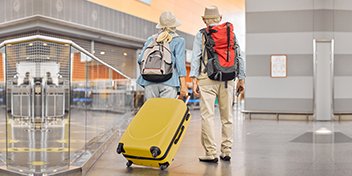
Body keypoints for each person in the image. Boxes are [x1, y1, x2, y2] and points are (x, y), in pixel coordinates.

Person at [190, 5, 246, 163]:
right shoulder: (231, 34)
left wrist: (194, 79)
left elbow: (196, 57)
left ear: (204, 20)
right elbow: (240, 57)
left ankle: (211, 153)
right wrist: (241, 79)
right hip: (228, 80)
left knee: (207, 116)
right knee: (227, 117)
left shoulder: (201, 34)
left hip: (207, 79)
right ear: (220, 18)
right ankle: (226, 151)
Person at [137, 11, 188, 100]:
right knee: (166, 112)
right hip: (170, 82)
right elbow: (180, 65)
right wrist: (183, 86)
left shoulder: (151, 39)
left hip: (149, 82)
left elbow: (140, 59)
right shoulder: (179, 40)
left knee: (152, 112)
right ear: (174, 25)